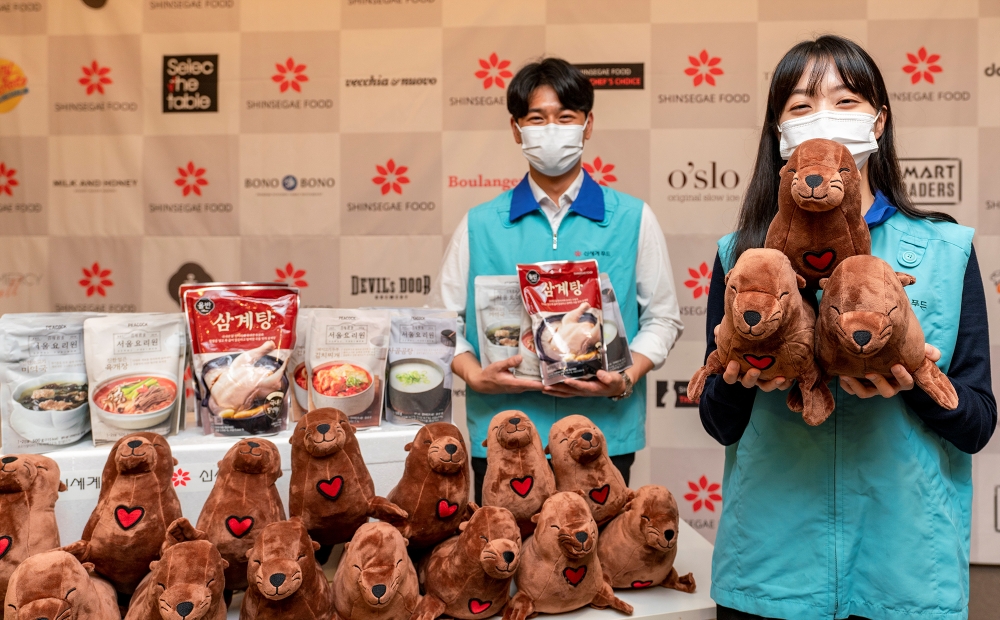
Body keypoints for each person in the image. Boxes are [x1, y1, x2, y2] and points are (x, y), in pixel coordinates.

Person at [699, 35, 997, 620]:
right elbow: (719, 422)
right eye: (801, 107)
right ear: (779, 133)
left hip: (906, 569)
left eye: (846, 102)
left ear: (878, 122)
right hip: (770, 568)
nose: (824, 121)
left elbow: (977, 423)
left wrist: (915, 385)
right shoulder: (745, 256)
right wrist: (744, 375)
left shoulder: (944, 249)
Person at [435, 57, 683, 502]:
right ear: (517, 129)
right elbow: (442, 323)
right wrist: (474, 376)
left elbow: (663, 319)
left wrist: (626, 377)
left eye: (565, 117)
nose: (552, 129)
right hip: (503, 435)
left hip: (600, 433)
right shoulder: (479, 225)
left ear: (587, 125)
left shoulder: (631, 218)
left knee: (598, 562)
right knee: (503, 560)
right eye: (537, 118)